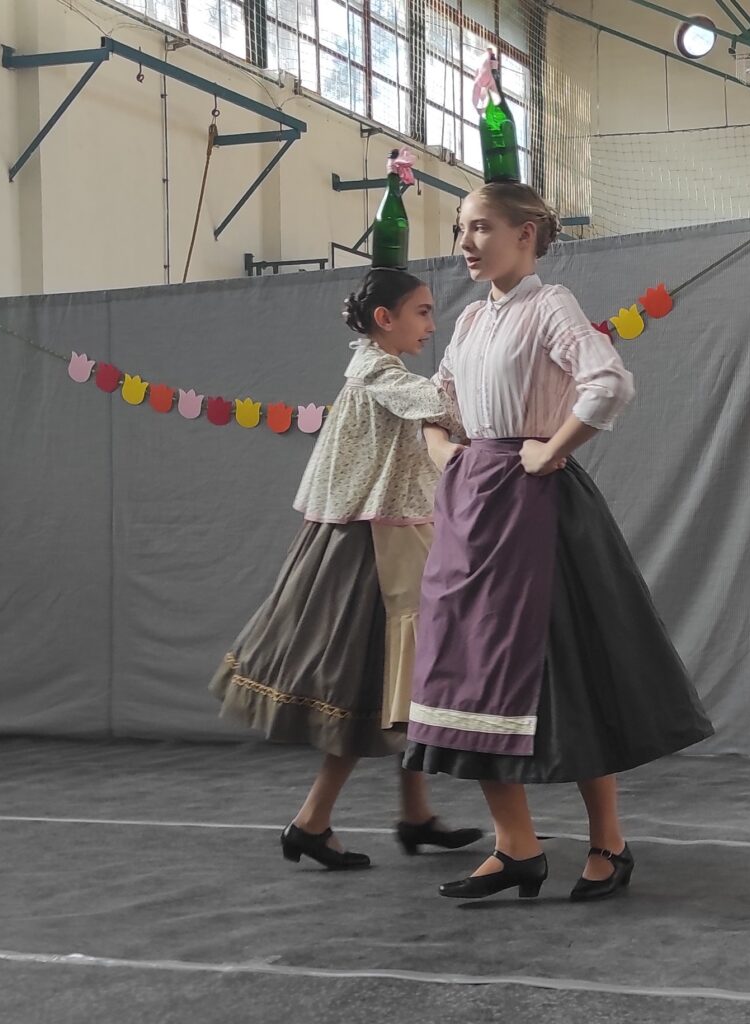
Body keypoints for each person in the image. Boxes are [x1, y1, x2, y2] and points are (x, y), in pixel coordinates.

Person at [404, 182, 714, 900]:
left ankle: (608, 841)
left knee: (568, 673)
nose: (465, 243)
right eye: (461, 229)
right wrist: (441, 448)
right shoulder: (471, 320)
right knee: (467, 672)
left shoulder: (550, 306)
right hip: (472, 508)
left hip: (536, 510)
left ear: (526, 233)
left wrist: (552, 448)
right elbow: (437, 398)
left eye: (481, 227)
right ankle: (516, 846)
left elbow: (608, 383)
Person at [211, 268, 482, 870]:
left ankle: (414, 815)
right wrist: (483, 370)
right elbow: (441, 406)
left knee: (406, 686)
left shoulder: (379, 371)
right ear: (385, 319)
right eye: (422, 312)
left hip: (397, 536)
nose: (432, 324)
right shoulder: (378, 373)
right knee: (377, 687)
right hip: (376, 548)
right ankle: (312, 822)